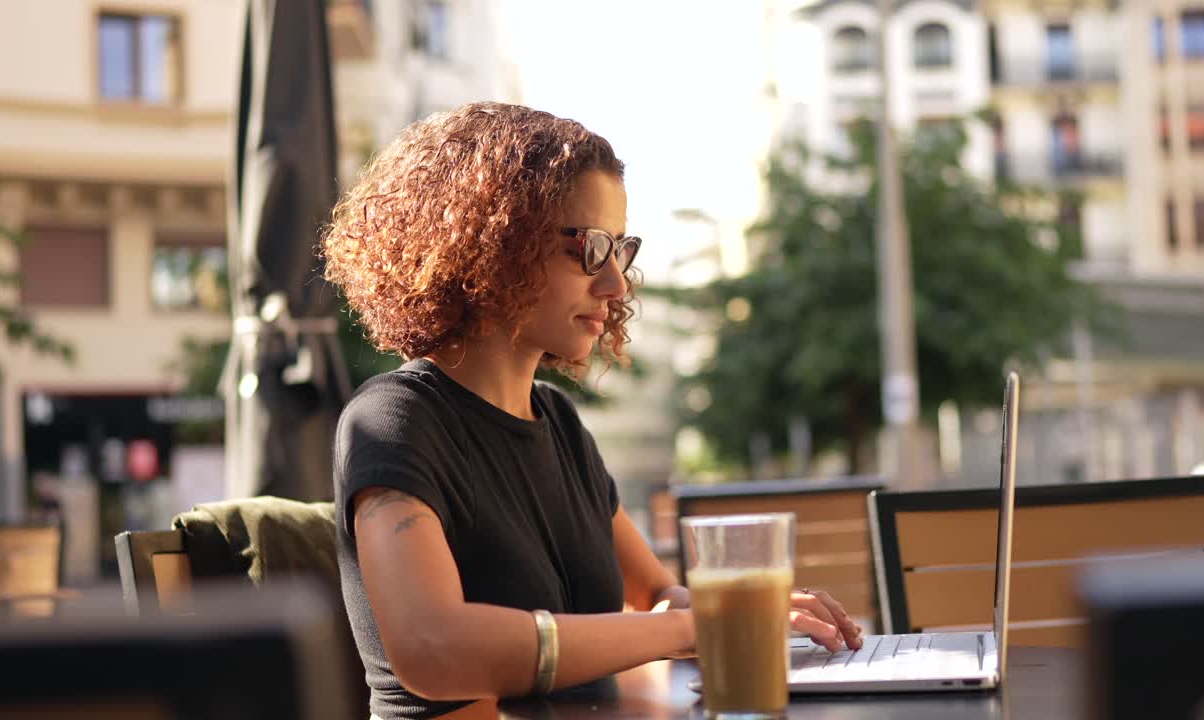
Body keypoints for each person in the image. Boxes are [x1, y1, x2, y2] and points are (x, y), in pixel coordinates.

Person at [321, 102, 864, 720]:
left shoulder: (558, 422)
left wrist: (750, 605)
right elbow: (432, 649)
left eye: (621, 251)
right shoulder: (393, 421)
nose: (616, 285)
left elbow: (656, 593)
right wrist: (691, 625)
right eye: (592, 248)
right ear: (493, 243)